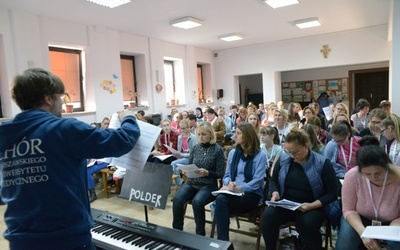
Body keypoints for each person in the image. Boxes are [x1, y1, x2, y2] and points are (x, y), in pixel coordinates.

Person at [0, 68, 141, 250]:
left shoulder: (5, 134)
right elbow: (119, 141)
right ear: (48, 98)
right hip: (65, 237)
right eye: (61, 97)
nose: (62, 102)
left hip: (20, 239)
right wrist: (129, 118)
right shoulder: (63, 129)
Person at [262, 128, 338, 250]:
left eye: (295, 152)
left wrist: (311, 205)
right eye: (289, 152)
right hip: (288, 204)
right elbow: (274, 181)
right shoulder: (284, 159)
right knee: (268, 216)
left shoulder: (322, 163)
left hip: (313, 206)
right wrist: (275, 193)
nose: (292, 156)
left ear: (306, 146)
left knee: (306, 224)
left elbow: (332, 193)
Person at [336, 136, 400, 250]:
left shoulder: (397, 177)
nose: (373, 177)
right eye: (367, 174)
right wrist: (363, 233)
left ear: (387, 166)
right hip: (360, 218)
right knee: (346, 240)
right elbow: (348, 209)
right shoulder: (352, 176)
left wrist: (394, 228)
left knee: (396, 242)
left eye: (378, 173)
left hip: (393, 220)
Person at [214, 123, 266, 241]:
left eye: (238, 133)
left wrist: (240, 188)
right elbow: (226, 176)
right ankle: (224, 242)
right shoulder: (233, 153)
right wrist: (229, 183)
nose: (235, 136)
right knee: (221, 200)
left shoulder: (260, 155)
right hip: (233, 192)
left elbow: (257, 182)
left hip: (251, 194)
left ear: (247, 136)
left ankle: (222, 243)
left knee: (221, 204)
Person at [172, 122, 225, 236]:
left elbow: (220, 173)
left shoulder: (217, 150)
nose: (200, 137)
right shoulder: (195, 148)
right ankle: (176, 232)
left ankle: (200, 235)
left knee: (197, 202)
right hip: (192, 182)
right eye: (199, 134)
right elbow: (190, 165)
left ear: (210, 135)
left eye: (203, 134)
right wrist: (185, 171)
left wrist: (207, 173)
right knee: (177, 199)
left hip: (208, 184)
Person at [170, 119, 198, 187]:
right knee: (176, 169)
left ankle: (177, 184)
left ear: (188, 128)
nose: (182, 130)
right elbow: (180, 150)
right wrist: (176, 154)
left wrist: (182, 155)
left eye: (184, 128)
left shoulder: (193, 138)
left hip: (191, 159)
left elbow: (194, 153)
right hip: (182, 158)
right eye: (180, 128)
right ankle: (180, 185)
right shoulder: (180, 137)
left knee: (173, 163)